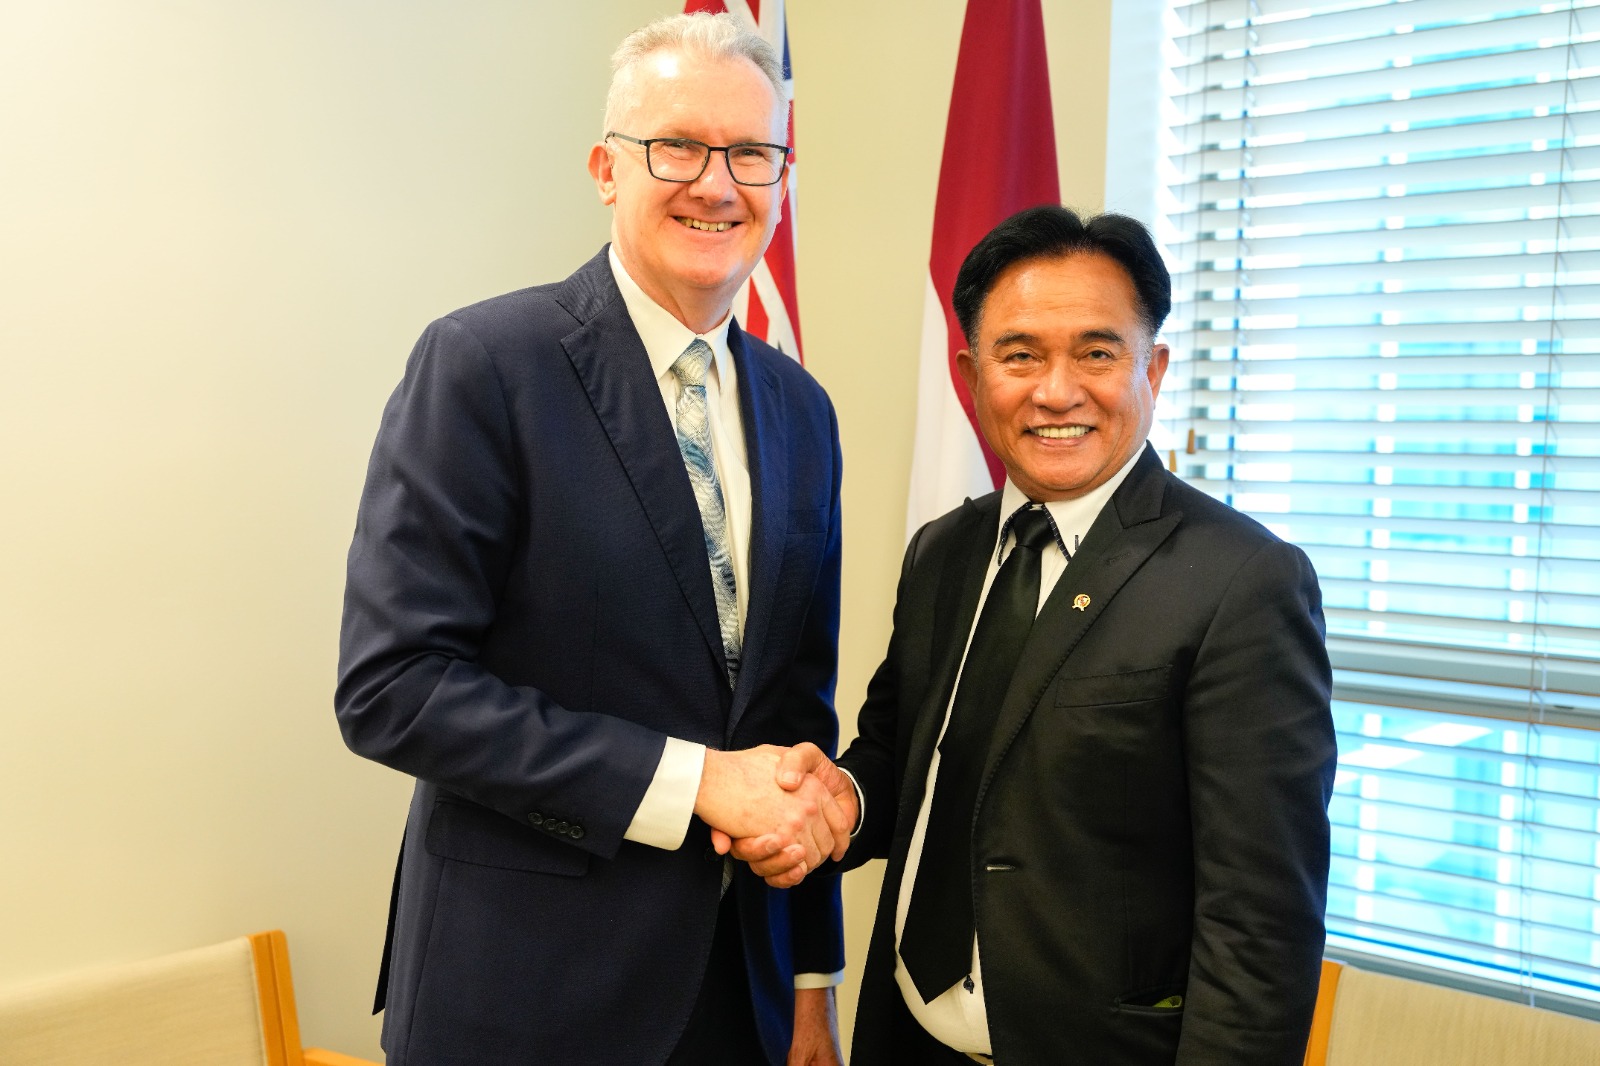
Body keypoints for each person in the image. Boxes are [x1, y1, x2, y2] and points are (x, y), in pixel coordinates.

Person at [335, 13, 849, 1066]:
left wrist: (809, 981)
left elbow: (795, 714)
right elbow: (394, 687)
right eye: (678, 147)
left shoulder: (802, 410)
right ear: (607, 170)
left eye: (751, 154)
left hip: (737, 1000)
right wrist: (695, 783)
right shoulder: (485, 365)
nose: (717, 184)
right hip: (523, 998)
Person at [747, 205, 1336, 1064]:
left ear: (1153, 368)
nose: (1057, 391)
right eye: (1020, 355)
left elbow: (1260, 924)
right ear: (970, 375)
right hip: (906, 1035)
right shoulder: (942, 552)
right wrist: (843, 802)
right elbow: (900, 755)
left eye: (1097, 353)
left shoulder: (1242, 583)